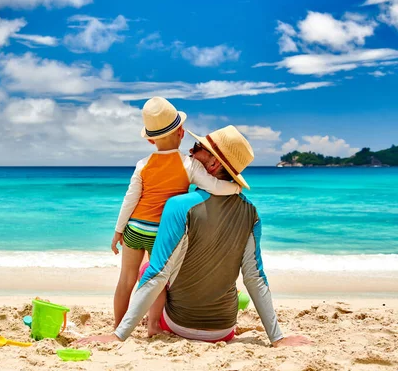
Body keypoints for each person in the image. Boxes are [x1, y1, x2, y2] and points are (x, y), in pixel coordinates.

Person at [80, 125, 311, 347]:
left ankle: (147, 324)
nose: (190, 150)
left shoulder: (179, 206)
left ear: (212, 163)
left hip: (178, 325)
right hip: (224, 329)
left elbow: (158, 274)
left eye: (197, 147)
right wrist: (277, 338)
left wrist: (118, 336)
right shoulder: (251, 212)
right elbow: (255, 277)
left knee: (147, 268)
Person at [111, 97, 242, 329]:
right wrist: (235, 187)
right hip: (161, 233)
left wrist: (118, 230)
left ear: (150, 139)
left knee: (126, 279)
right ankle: (153, 325)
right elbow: (213, 186)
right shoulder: (188, 164)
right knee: (157, 280)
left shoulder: (143, 164)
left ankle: (119, 325)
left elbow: (130, 199)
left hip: (135, 228)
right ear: (181, 132)